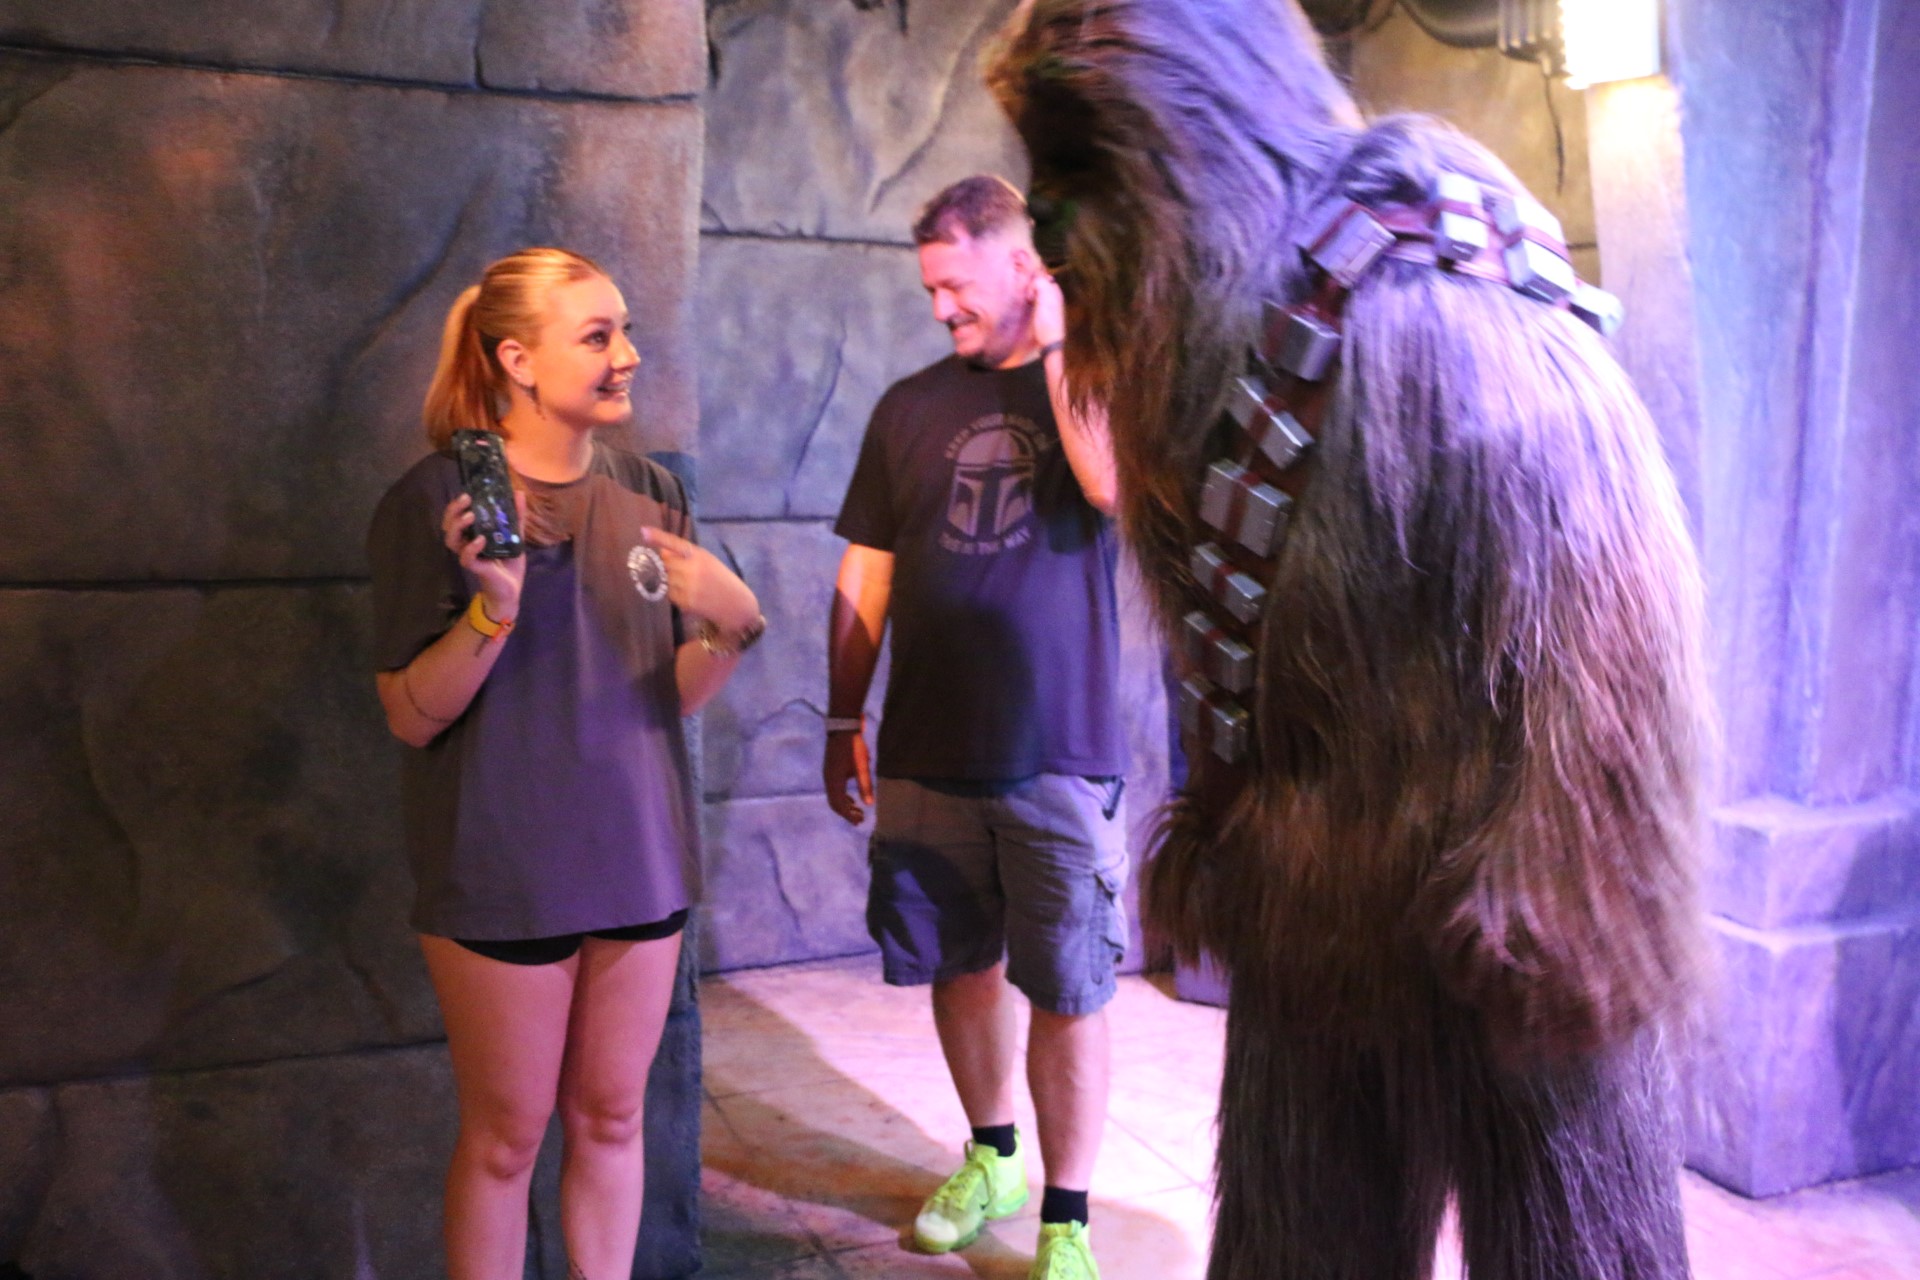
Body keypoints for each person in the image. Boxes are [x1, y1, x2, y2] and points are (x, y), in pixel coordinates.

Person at [989, 5, 1711, 1280]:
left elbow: (1611, 606)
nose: (1044, 226)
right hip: (1311, 915)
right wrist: (1225, 835)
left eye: (1074, 167)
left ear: (1181, 139)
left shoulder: (1438, 294)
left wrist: (1564, 902)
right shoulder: (1232, 349)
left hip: (1511, 922)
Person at [366, 247, 764, 1280]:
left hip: (638, 861)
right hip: (502, 872)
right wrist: (492, 609)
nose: (627, 354)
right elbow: (410, 715)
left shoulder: (651, 492)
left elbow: (663, 698)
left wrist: (731, 628)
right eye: (597, 336)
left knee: (614, 1118)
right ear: (517, 359)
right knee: (505, 1141)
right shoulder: (438, 500)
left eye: (625, 330)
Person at [823, 175, 1126, 1280]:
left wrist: (1061, 340)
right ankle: (992, 1154)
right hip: (928, 744)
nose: (941, 307)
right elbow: (865, 572)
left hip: (1059, 747)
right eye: (930, 290)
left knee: (1068, 986)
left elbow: (1109, 487)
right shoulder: (907, 407)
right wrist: (843, 714)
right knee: (959, 962)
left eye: (956, 285)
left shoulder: (1090, 386)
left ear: (1023, 266)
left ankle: (1067, 1217)